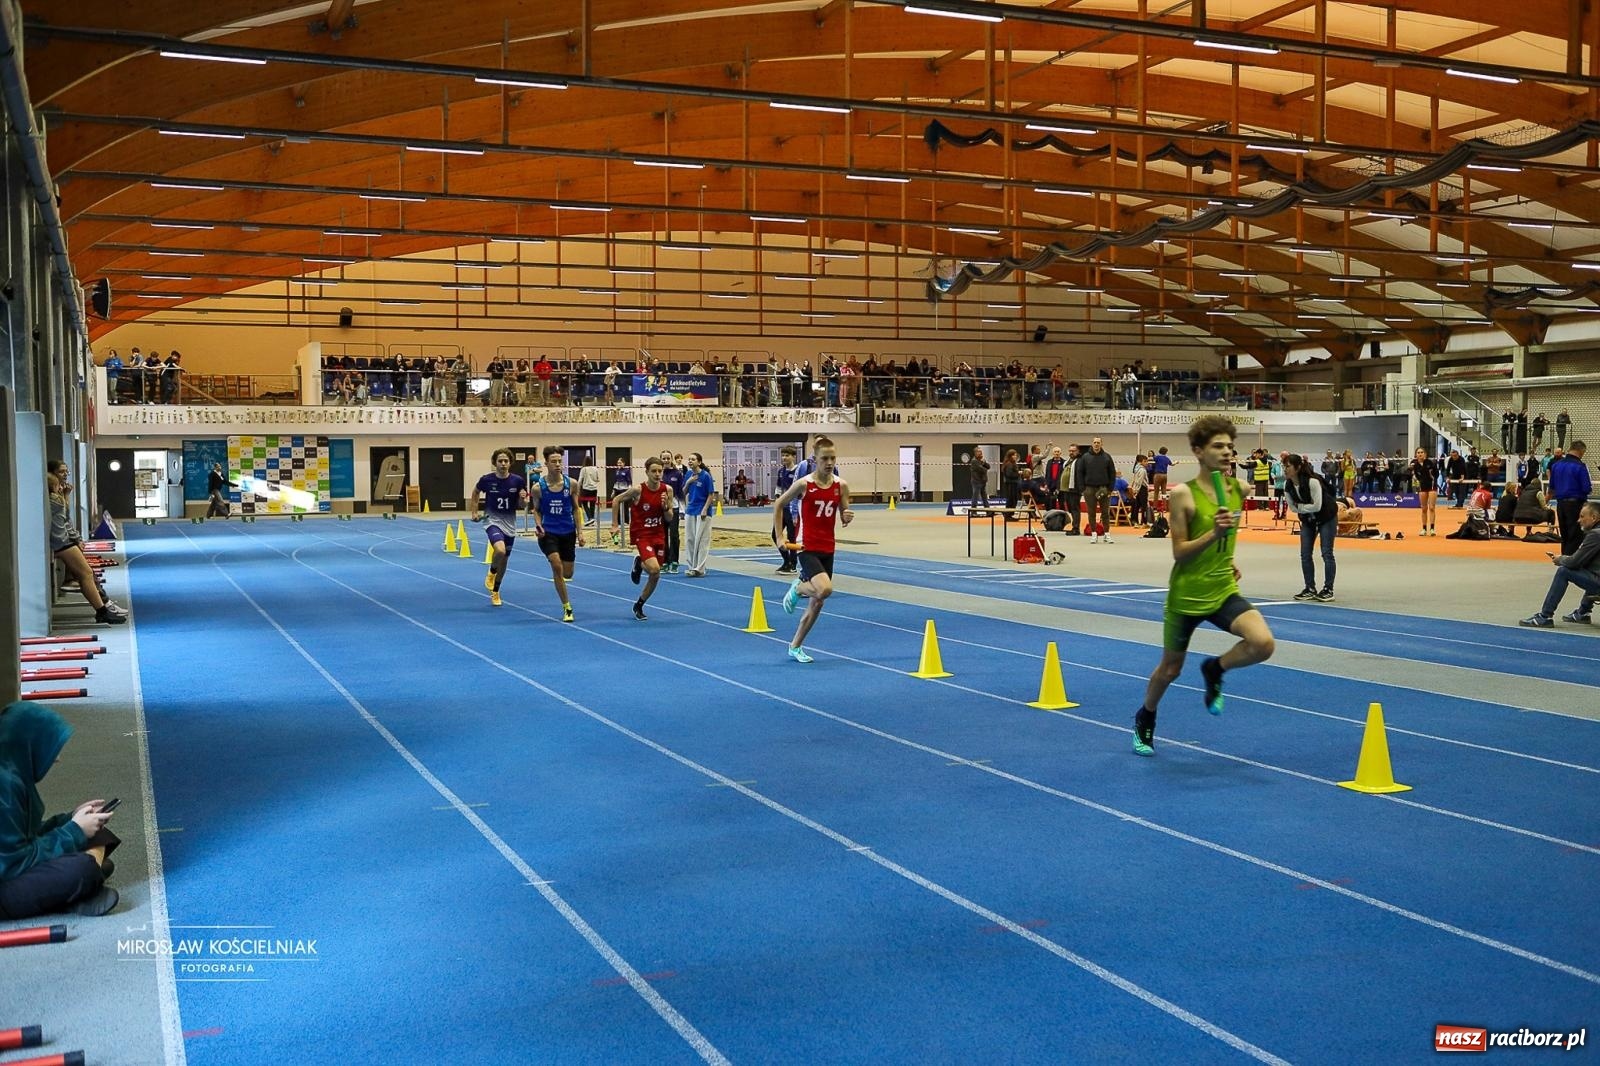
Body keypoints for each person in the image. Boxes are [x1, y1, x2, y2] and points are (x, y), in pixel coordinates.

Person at [1132, 416, 1276, 757]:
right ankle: (1146, 716)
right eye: (1218, 446)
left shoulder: (1239, 489)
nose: (1227, 452)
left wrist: (1226, 559)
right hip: (1187, 595)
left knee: (1263, 643)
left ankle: (1215, 668)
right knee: (1170, 669)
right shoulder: (1183, 495)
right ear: (1198, 451)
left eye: (1230, 446)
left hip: (1223, 588)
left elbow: (1225, 545)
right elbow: (1179, 552)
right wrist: (1213, 533)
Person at [0, 703, 121, 919]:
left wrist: (71, 819)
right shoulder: (5, 787)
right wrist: (74, 831)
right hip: (6, 880)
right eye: (49, 748)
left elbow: (27, 836)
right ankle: (74, 890)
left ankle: (72, 890)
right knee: (82, 868)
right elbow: (15, 864)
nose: (56, 758)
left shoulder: (11, 774)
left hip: (12, 867)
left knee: (99, 837)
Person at [773, 437, 854, 664]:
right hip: (806, 546)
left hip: (828, 546)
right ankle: (798, 588)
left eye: (833, 458)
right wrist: (780, 536)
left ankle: (795, 646)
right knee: (824, 589)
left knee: (818, 600)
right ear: (814, 460)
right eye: (824, 458)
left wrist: (846, 516)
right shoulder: (804, 484)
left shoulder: (841, 486)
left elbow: (843, 513)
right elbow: (779, 504)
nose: (829, 462)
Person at [48, 472, 126, 625]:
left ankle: (102, 608)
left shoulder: (52, 500)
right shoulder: (55, 500)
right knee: (86, 573)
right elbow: (65, 513)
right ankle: (102, 611)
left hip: (61, 541)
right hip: (61, 542)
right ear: (54, 487)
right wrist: (65, 494)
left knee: (86, 574)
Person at [612, 457, 675, 619]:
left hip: (658, 533)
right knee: (654, 568)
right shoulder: (638, 490)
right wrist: (615, 524)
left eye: (660, 471)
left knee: (655, 574)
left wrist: (665, 507)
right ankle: (641, 562)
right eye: (653, 471)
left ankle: (639, 604)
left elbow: (669, 518)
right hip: (642, 534)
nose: (657, 474)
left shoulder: (667, 490)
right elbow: (617, 500)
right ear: (646, 472)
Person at [1519, 502, 1600, 627]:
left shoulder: (1595, 535)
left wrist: (1560, 559)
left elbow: (1574, 562)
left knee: (1564, 571)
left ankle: (1545, 616)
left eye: (1582, 516)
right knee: (1590, 570)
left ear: (1594, 518)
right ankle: (1582, 613)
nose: (1579, 520)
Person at [527, 446, 582, 623]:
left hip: (568, 532)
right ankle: (567, 607)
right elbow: (536, 510)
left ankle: (563, 586)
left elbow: (576, 509)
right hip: (548, 533)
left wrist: (580, 533)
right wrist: (538, 525)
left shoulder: (571, 484)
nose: (558, 465)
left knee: (568, 573)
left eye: (560, 461)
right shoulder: (538, 488)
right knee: (556, 565)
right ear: (546, 463)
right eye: (554, 461)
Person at [469, 448, 529, 609]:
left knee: (505, 559)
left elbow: (522, 505)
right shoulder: (486, 480)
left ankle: (496, 591)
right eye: (500, 461)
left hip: (510, 523)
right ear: (494, 463)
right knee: (500, 551)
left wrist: (524, 500)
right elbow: (475, 493)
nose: (503, 464)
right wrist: (474, 511)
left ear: (510, 463)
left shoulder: (517, 481)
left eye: (506, 461)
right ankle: (491, 572)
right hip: (492, 520)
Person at [1283, 453, 1337, 602]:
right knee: (1305, 554)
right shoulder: (1287, 486)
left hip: (1327, 517)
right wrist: (1305, 508)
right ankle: (1310, 587)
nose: (1285, 470)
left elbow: (1317, 506)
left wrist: (1301, 507)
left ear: (1298, 467)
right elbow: (1293, 509)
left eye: (1288, 466)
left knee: (1327, 553)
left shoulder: (1313, 482)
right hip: (1308, 520)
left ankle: (1328, 589)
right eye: (1284, 466)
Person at [1549, 441, 1592, 555]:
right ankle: (1568, 564)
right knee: (1576, 536)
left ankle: (1564, 560)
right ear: (1581, 451)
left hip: (1560, 505)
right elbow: (1586, 488)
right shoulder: (1580, 466)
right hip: (1576, 505)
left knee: (1565, 536)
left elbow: (1552, 487)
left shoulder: (1556, 465)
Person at [680, 453, 718, 578]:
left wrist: (705, 509)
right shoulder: (688, 475)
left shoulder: (706, 476)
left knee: (701, 540)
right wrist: (688, 482)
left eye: (693, 459)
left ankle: (700, 568)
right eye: (689, 459)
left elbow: (711, 494)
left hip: (702, 511)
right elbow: (683, 492)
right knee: (690, 539)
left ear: (699, 462)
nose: (690, 461)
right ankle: (691, 567)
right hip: (690, 509)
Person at [1079, 436, 1117, 543]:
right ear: (1092, 444)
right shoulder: (1085, 457)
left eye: (1098, 442)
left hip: (1104, 488)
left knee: (1105, 512)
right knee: (1091, 513)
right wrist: (1083, 488)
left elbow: (1112, 474)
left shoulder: (1107, 457)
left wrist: (1110, 489)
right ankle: (1094, 534)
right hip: (1089, 489)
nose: (1096, 444)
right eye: (1095, 442)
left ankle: (1107, 534)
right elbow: (1080, 473)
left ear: (1101, 444)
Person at [774, 445, 800, 575]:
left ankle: (793, 564)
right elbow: (778, 487)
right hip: (783, 508)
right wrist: (778, 500)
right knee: (775, 534)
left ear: (793, 456)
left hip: (793, 508)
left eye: (787, 455)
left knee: (792, 537)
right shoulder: (781, 471)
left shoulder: (798, 471)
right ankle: (786, 560)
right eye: (783, 455)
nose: (784, 458)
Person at [1411, 447, 1439, 536]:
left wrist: (1431, 477)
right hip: (1423, 487)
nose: (1420, 454)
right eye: (1418, 452)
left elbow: (1437, 474)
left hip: (1431, 486)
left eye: (1422, 452)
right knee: (1423, 509)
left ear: (1425, 454)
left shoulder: (1430, 463)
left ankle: (1432, 529)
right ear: (1416, 455)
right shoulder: (1415, 465)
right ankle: (1423, 529)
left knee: (1431, 507)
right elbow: (1418, 476)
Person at [576, 454, 602, 526]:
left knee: (584, 503)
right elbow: (597, 479)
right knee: (592, 505)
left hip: (586, 489)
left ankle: (590, 518)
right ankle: (592, 519)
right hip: (594, 489)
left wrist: (577, 490)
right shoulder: (595, 469)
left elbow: (580, 480)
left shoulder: (583, 469)